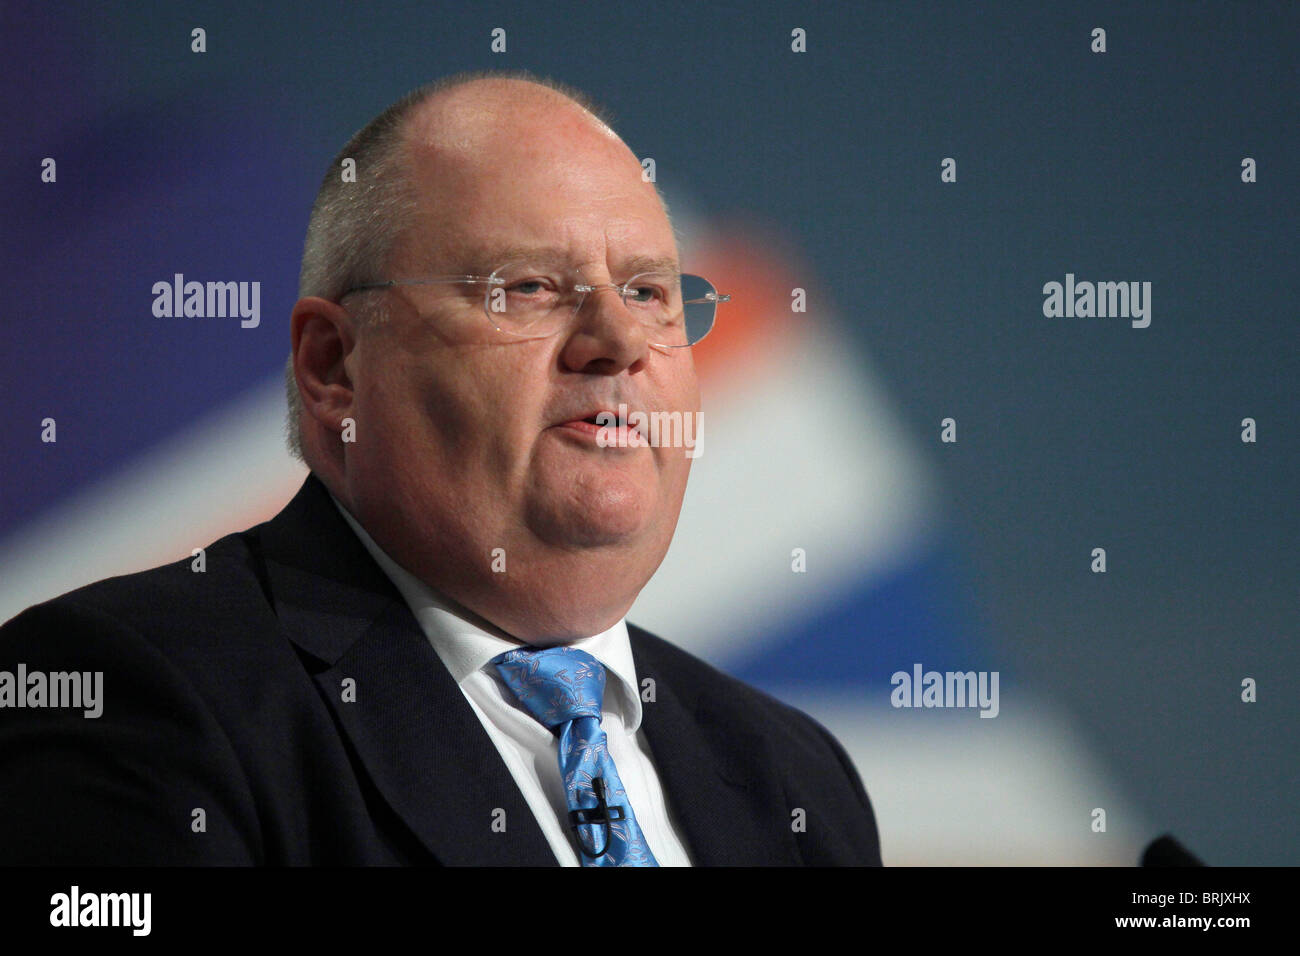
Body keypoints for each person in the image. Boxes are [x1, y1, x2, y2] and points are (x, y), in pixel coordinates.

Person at [0, 70, 882, 866]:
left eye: (650, 293)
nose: (618, 343)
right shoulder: (131, 695)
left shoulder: (797, 779)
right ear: (333, 368)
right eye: (528, 287)